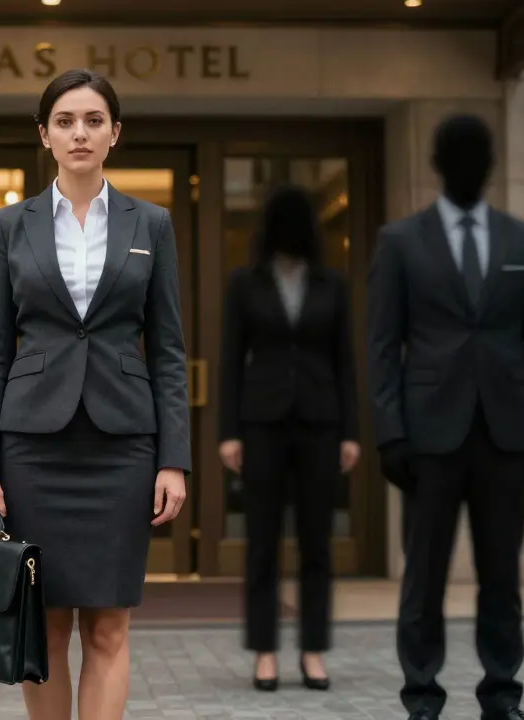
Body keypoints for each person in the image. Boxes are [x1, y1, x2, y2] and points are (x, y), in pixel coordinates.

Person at [0, 68, 191, 720]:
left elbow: (169, 351)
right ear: (45, 135)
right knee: (43, 625)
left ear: (115, 133)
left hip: (123, 448)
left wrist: (174, 459)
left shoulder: (152, 224)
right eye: (65, 121)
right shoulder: (9, 225)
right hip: (31, 449)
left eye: (93, 120)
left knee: (108, 627)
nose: (80, 133)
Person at [366, 114, 524, 720]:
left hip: (506, 433)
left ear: (491, 167)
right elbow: (382, 346)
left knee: (502, 576)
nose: (470, 166)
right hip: (428, 437)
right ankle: (422, 697)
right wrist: (390, 432)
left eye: (479, 156)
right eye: (459, 155)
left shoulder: (522, 240)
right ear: (438, 166)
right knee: (423, 576)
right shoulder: (400, 241)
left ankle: (502, 695)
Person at [218, 183, 359, 693]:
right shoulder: (245, 283)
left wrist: (351, 433)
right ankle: (265, 653)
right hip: (262, 424)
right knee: (262, 542)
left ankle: (313, 651)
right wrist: (228, 433)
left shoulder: (331, 284)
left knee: (317, 543)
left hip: (321, 424)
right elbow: (231, 360)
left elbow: (345, 361)